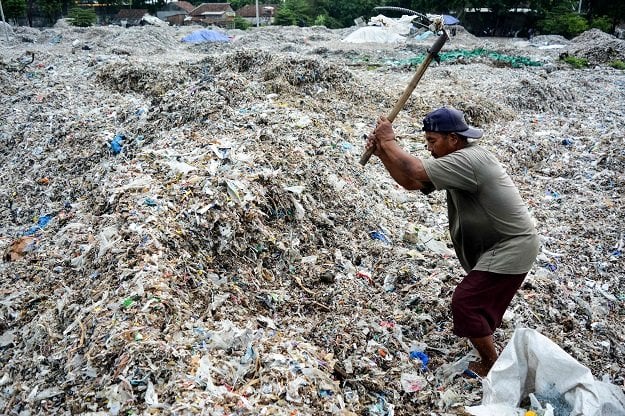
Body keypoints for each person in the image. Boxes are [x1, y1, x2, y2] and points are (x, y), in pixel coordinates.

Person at [365, 107, 539, 377]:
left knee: (466, 302)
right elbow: (411, 182)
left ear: (454, 139)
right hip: (498, 247)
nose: (429, 148)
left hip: (511, 246)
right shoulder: (455, 161)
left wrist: (388, 141)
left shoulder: (470, 160)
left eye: (433, 141)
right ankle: (487, 342)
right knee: (478, 300)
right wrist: (382, 154)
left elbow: (414, 167)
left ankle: (492, 365)